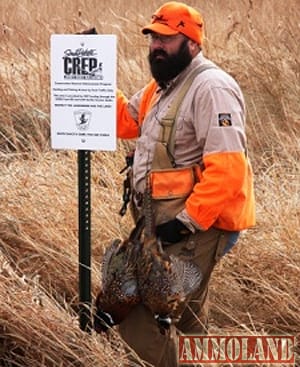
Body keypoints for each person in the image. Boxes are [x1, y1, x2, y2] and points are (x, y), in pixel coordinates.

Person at [115, 2, 256, 366]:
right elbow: (125, 122)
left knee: (138, 316)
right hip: (165, 224)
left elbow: (228, 170)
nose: (156, 46)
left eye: (167, 38)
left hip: (193, 227)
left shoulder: (212, 88)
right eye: (153, 38)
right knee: (188, 320)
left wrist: (184, 224)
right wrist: (92, 75)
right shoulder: (160, 88)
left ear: (192, 43)